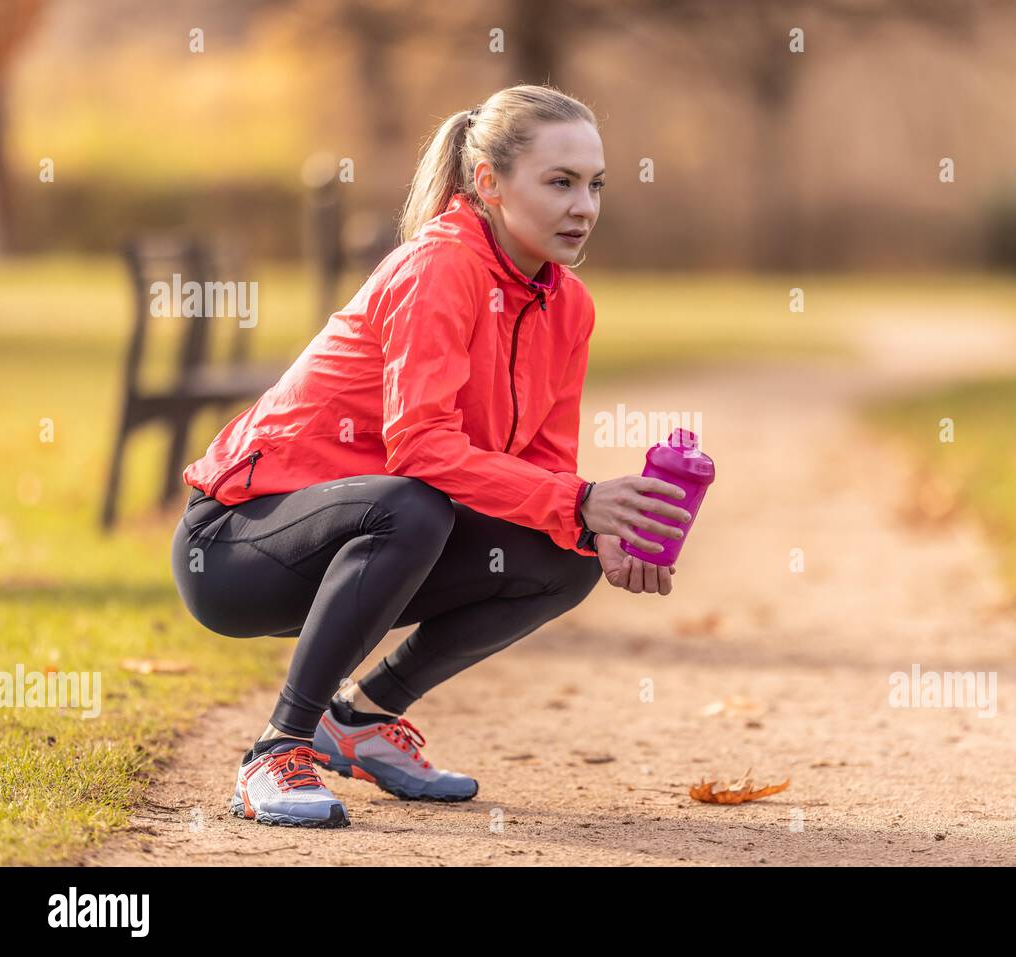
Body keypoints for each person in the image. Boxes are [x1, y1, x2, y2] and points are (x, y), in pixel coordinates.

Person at [170, 84, 692, 828]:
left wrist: (598, 530)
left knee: (563, 554)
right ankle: (275, 750)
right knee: (413, 502)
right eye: (560, 182)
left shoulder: (568, 305)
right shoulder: (439, 269)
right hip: (234, 545)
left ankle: (363, 715)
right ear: (489, 183)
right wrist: (577, 501)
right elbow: (421, 447)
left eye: (595, 184)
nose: (585, 206)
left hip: (366, 540)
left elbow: (546, 469)